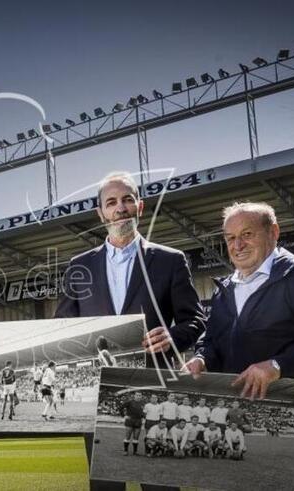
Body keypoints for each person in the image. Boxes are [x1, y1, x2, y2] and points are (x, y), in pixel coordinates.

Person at [184, 202, 294, 490]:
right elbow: (212, 342)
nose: (238, 245)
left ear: (273, 232)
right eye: (230, 238)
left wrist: (278, 366)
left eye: (247, 234)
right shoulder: (224, 290)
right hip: (239, 413)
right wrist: (201, 358)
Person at [54, 172, 206, 491]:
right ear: (101, 213)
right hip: (101, 399)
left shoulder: (170, 261)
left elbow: (195, 320)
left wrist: (172, 336)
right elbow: (60, 328)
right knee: (107, 487)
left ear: (140, 206)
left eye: (127, 200)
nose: (120, 208)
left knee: (161, 486)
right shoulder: (78, 266)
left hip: (155, 392)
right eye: (111, 202)